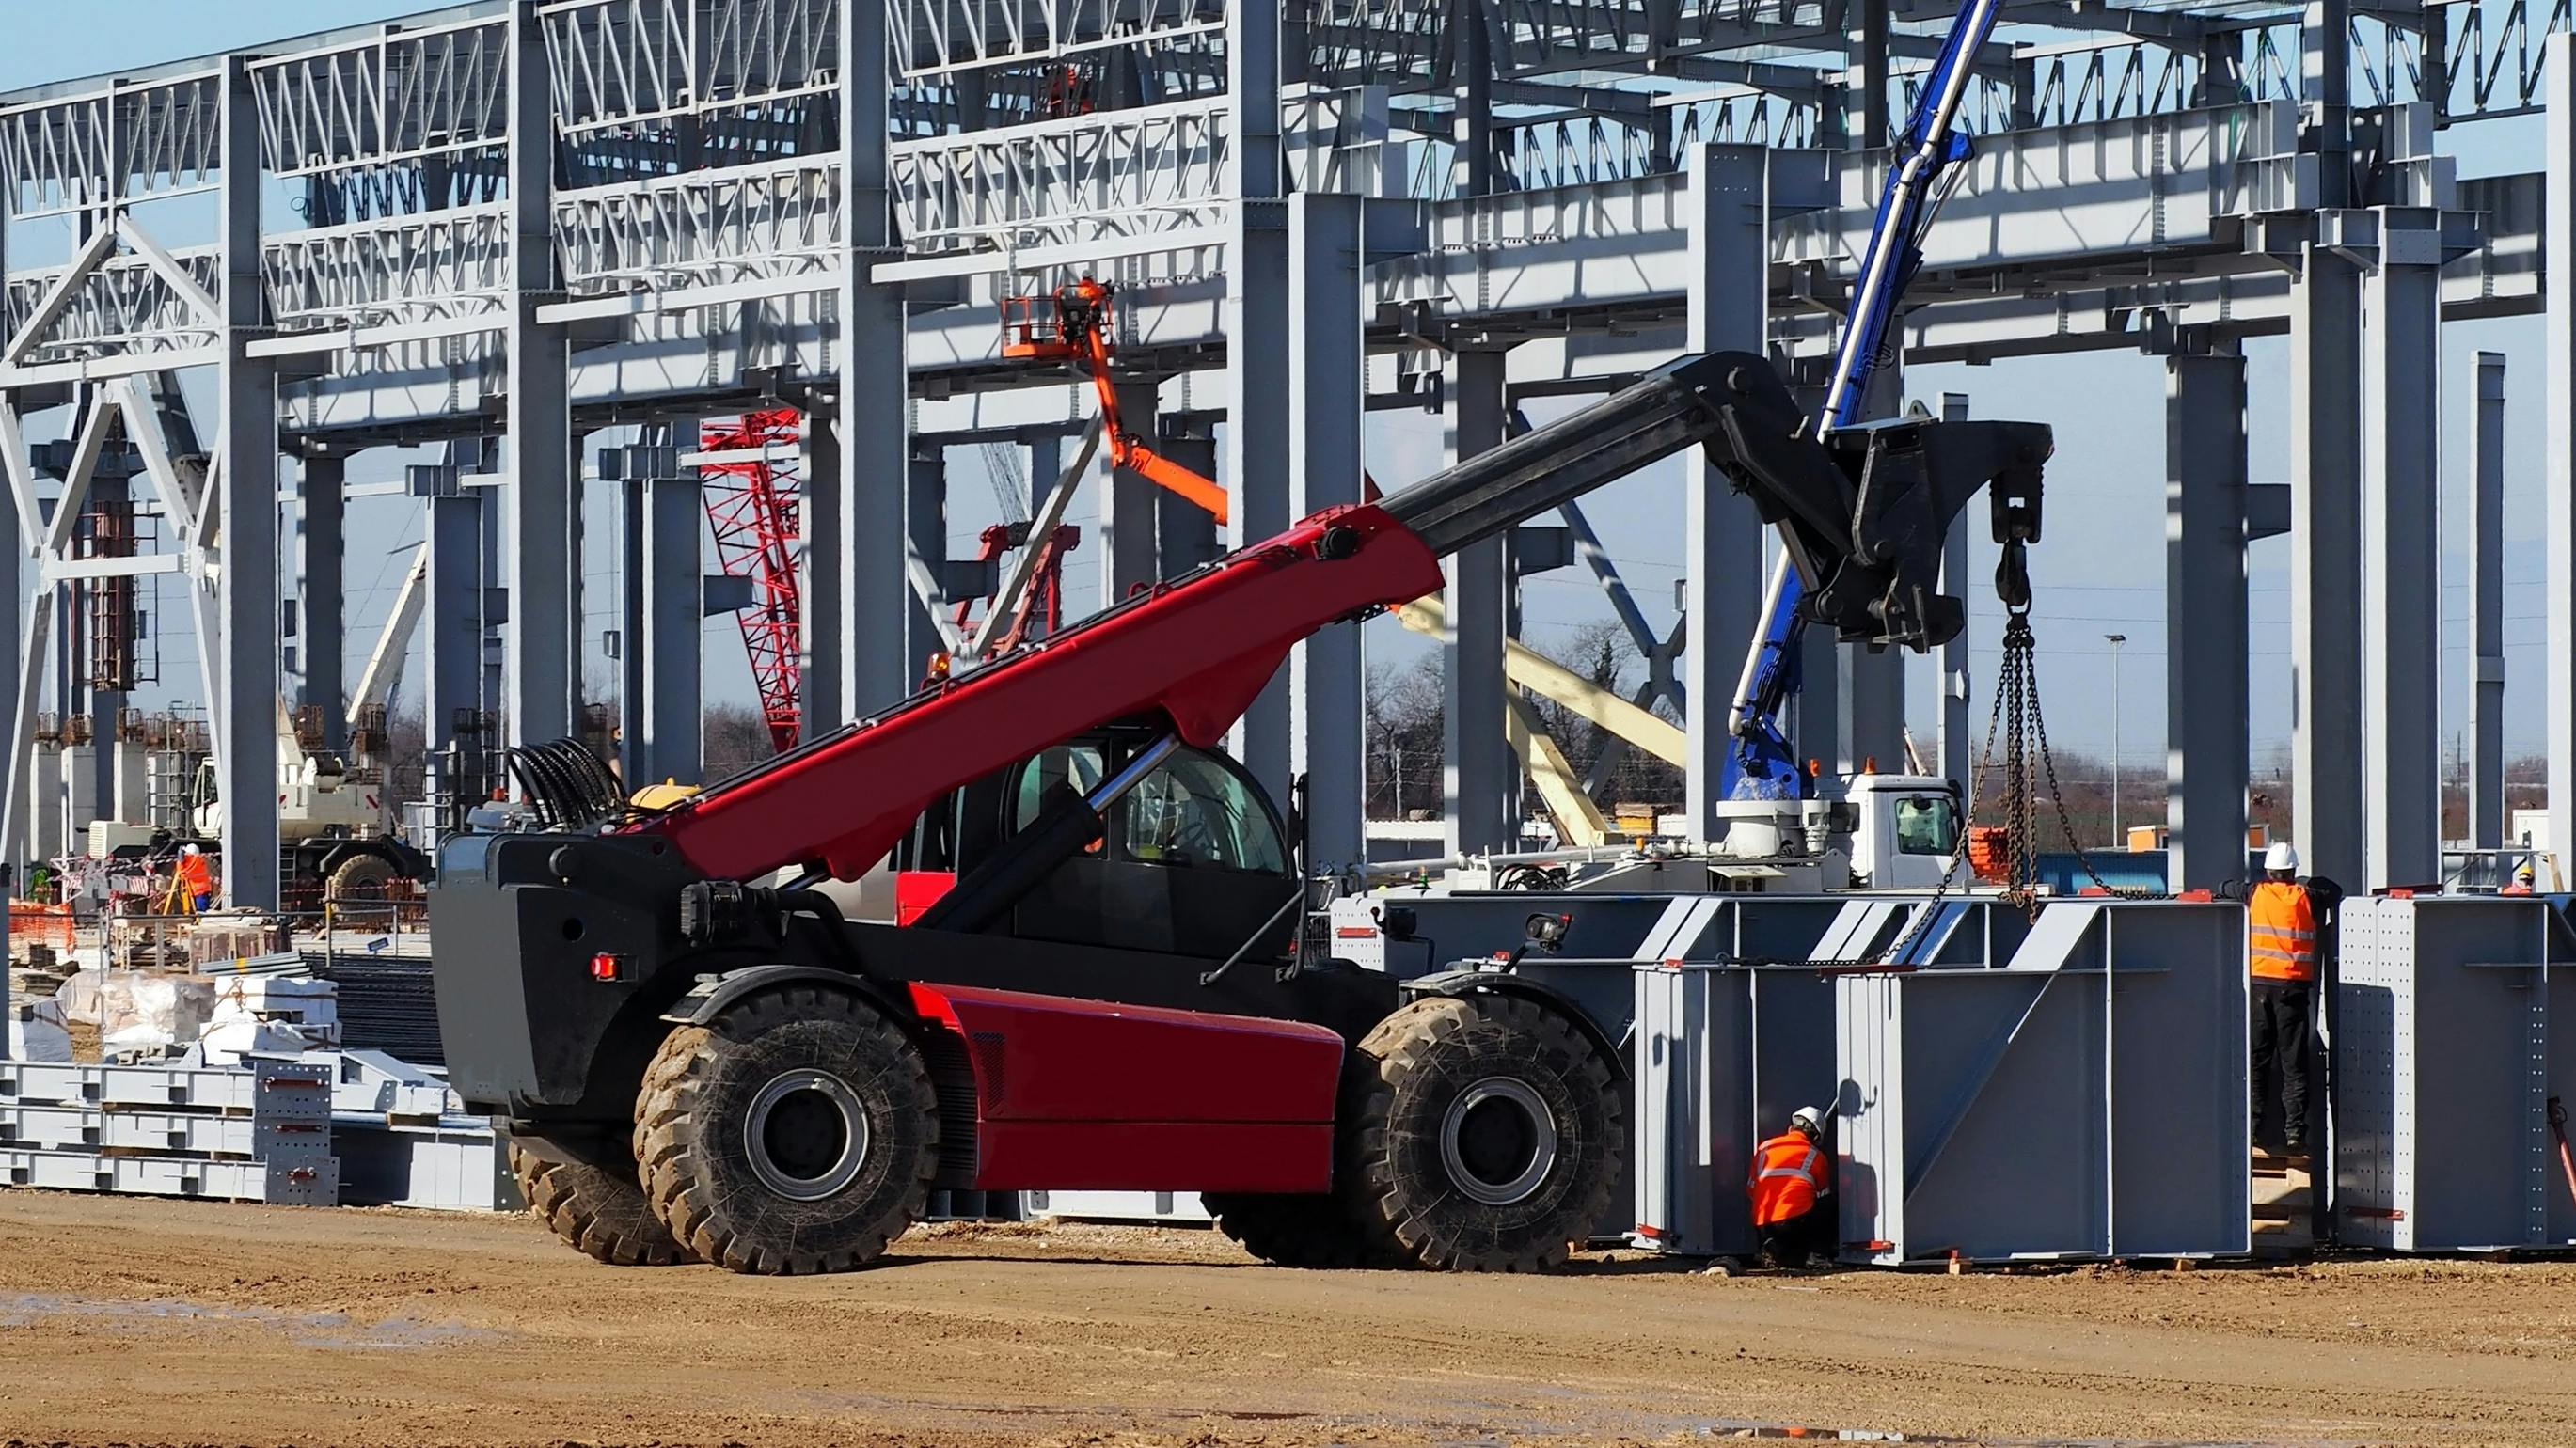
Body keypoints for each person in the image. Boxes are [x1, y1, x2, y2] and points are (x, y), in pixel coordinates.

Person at [2237, 842, 2319, 1153]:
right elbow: (2332, 889)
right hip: (2292, 990)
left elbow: (2225, 887)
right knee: (2293, 1065)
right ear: (2293, 871)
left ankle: (2254, 1129)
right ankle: (2294, 1132)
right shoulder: (2307, 895)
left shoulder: (2254, 893)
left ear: (2269, 871)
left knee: (2257, 1062)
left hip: (2259, 987)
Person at [1747, 1106, 1832, 1268]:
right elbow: (1822, 1195)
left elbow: (1751, 1190)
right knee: (1827, 1203)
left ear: (1790, 1128)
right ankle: (1817, 1256)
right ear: (1815, 1136)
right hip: (1793, 1224)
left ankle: (1771, 1249)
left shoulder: (1765, 1148)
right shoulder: (1816, 1156)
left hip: (1762, 1225)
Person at [174, 843, 215, 913]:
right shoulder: (199, 859)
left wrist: (180, 857)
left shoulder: (193, 860)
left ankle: (202, 918)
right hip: (203, 887)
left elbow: (181, 871)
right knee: (204, 905)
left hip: (199, 888)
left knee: (201, 910)